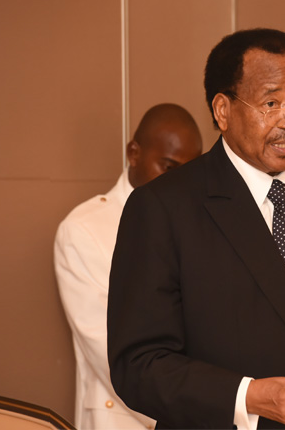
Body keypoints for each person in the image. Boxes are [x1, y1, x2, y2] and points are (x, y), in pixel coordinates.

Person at [107, 28, 285, 429]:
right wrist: (247, 397)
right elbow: (138, 366)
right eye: (272, 103)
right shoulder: (162, 208)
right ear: (223, 110)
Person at [54, 103, 203, 430]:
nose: (180, 182)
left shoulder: (202, 225)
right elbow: (112, 354)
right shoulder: (85, 230)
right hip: (130, 419)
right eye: (168, 167)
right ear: (133, 153)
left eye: (190, 171)